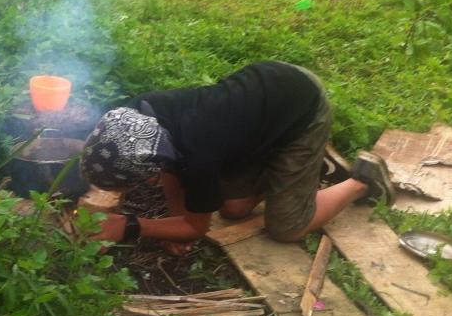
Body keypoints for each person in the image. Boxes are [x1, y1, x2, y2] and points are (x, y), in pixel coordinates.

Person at [79, 60, 393, 251]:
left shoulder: (197, 156)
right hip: (263, 104)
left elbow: (198, 228)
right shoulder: (138, 117)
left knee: (287, 228)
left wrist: (130, 226)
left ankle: (362, 181)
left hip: (302, 106)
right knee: (234, 208)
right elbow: (174, 177)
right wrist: (176, 225)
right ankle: (296, 168)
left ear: (149, 171)